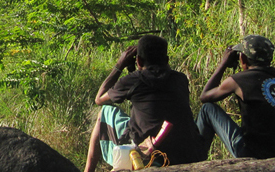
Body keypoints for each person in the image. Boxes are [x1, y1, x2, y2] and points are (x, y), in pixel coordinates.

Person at [85, 35, 206, 172]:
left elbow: (99, 99)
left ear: (139, 60)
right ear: (166, 60)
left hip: (150, 152)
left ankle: (88, 171)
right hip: (188, 153)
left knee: (104, 112)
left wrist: (120, 65)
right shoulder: (181, 79)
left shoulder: (134, 80)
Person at [198, 35, 275, 159]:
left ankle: (193, 159)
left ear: (242, 58)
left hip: (254, 154)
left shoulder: (239, 80)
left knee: (207, 109)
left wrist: (223, 64)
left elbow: (205, 96)